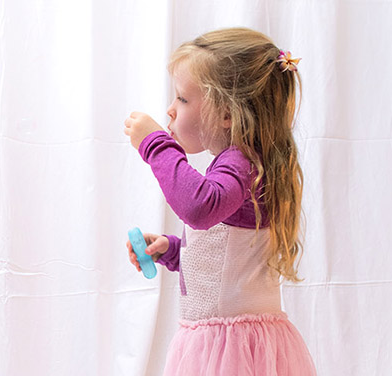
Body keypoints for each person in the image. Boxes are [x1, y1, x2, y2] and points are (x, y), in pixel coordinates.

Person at [123, 27, 316, 375]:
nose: (169, 110)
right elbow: (226, 256)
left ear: (227, 113)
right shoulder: (248, 163)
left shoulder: (241, 162)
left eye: (182, 99)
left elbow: (199, 208)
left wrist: (154, 144)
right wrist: (172, 249)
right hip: (235, 343)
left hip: (230, 350)